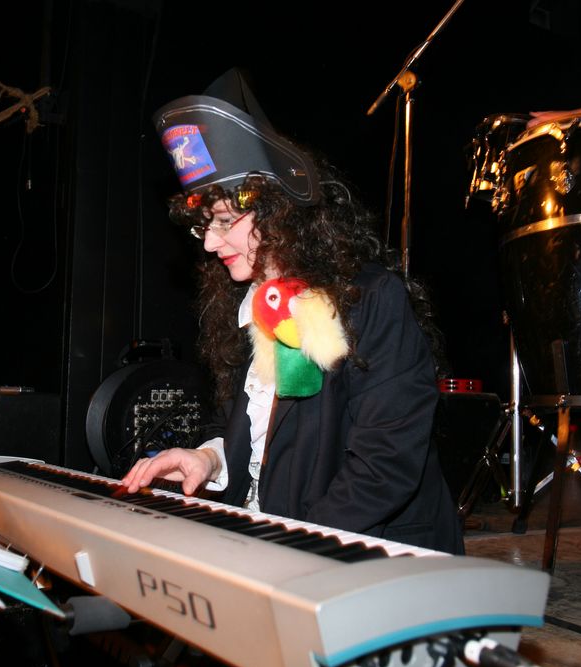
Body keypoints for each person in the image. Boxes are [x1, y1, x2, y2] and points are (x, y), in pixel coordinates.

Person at [122, 68, 464, 554]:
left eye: (225, 221)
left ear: (278, 209)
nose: (211, 244)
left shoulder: (372, 299)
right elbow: (244, 434)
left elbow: (385, 467)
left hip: (372, 556)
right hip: (273, 544)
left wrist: (282, 549)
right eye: (203, 227)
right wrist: (208, 459)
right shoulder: (241, 307)